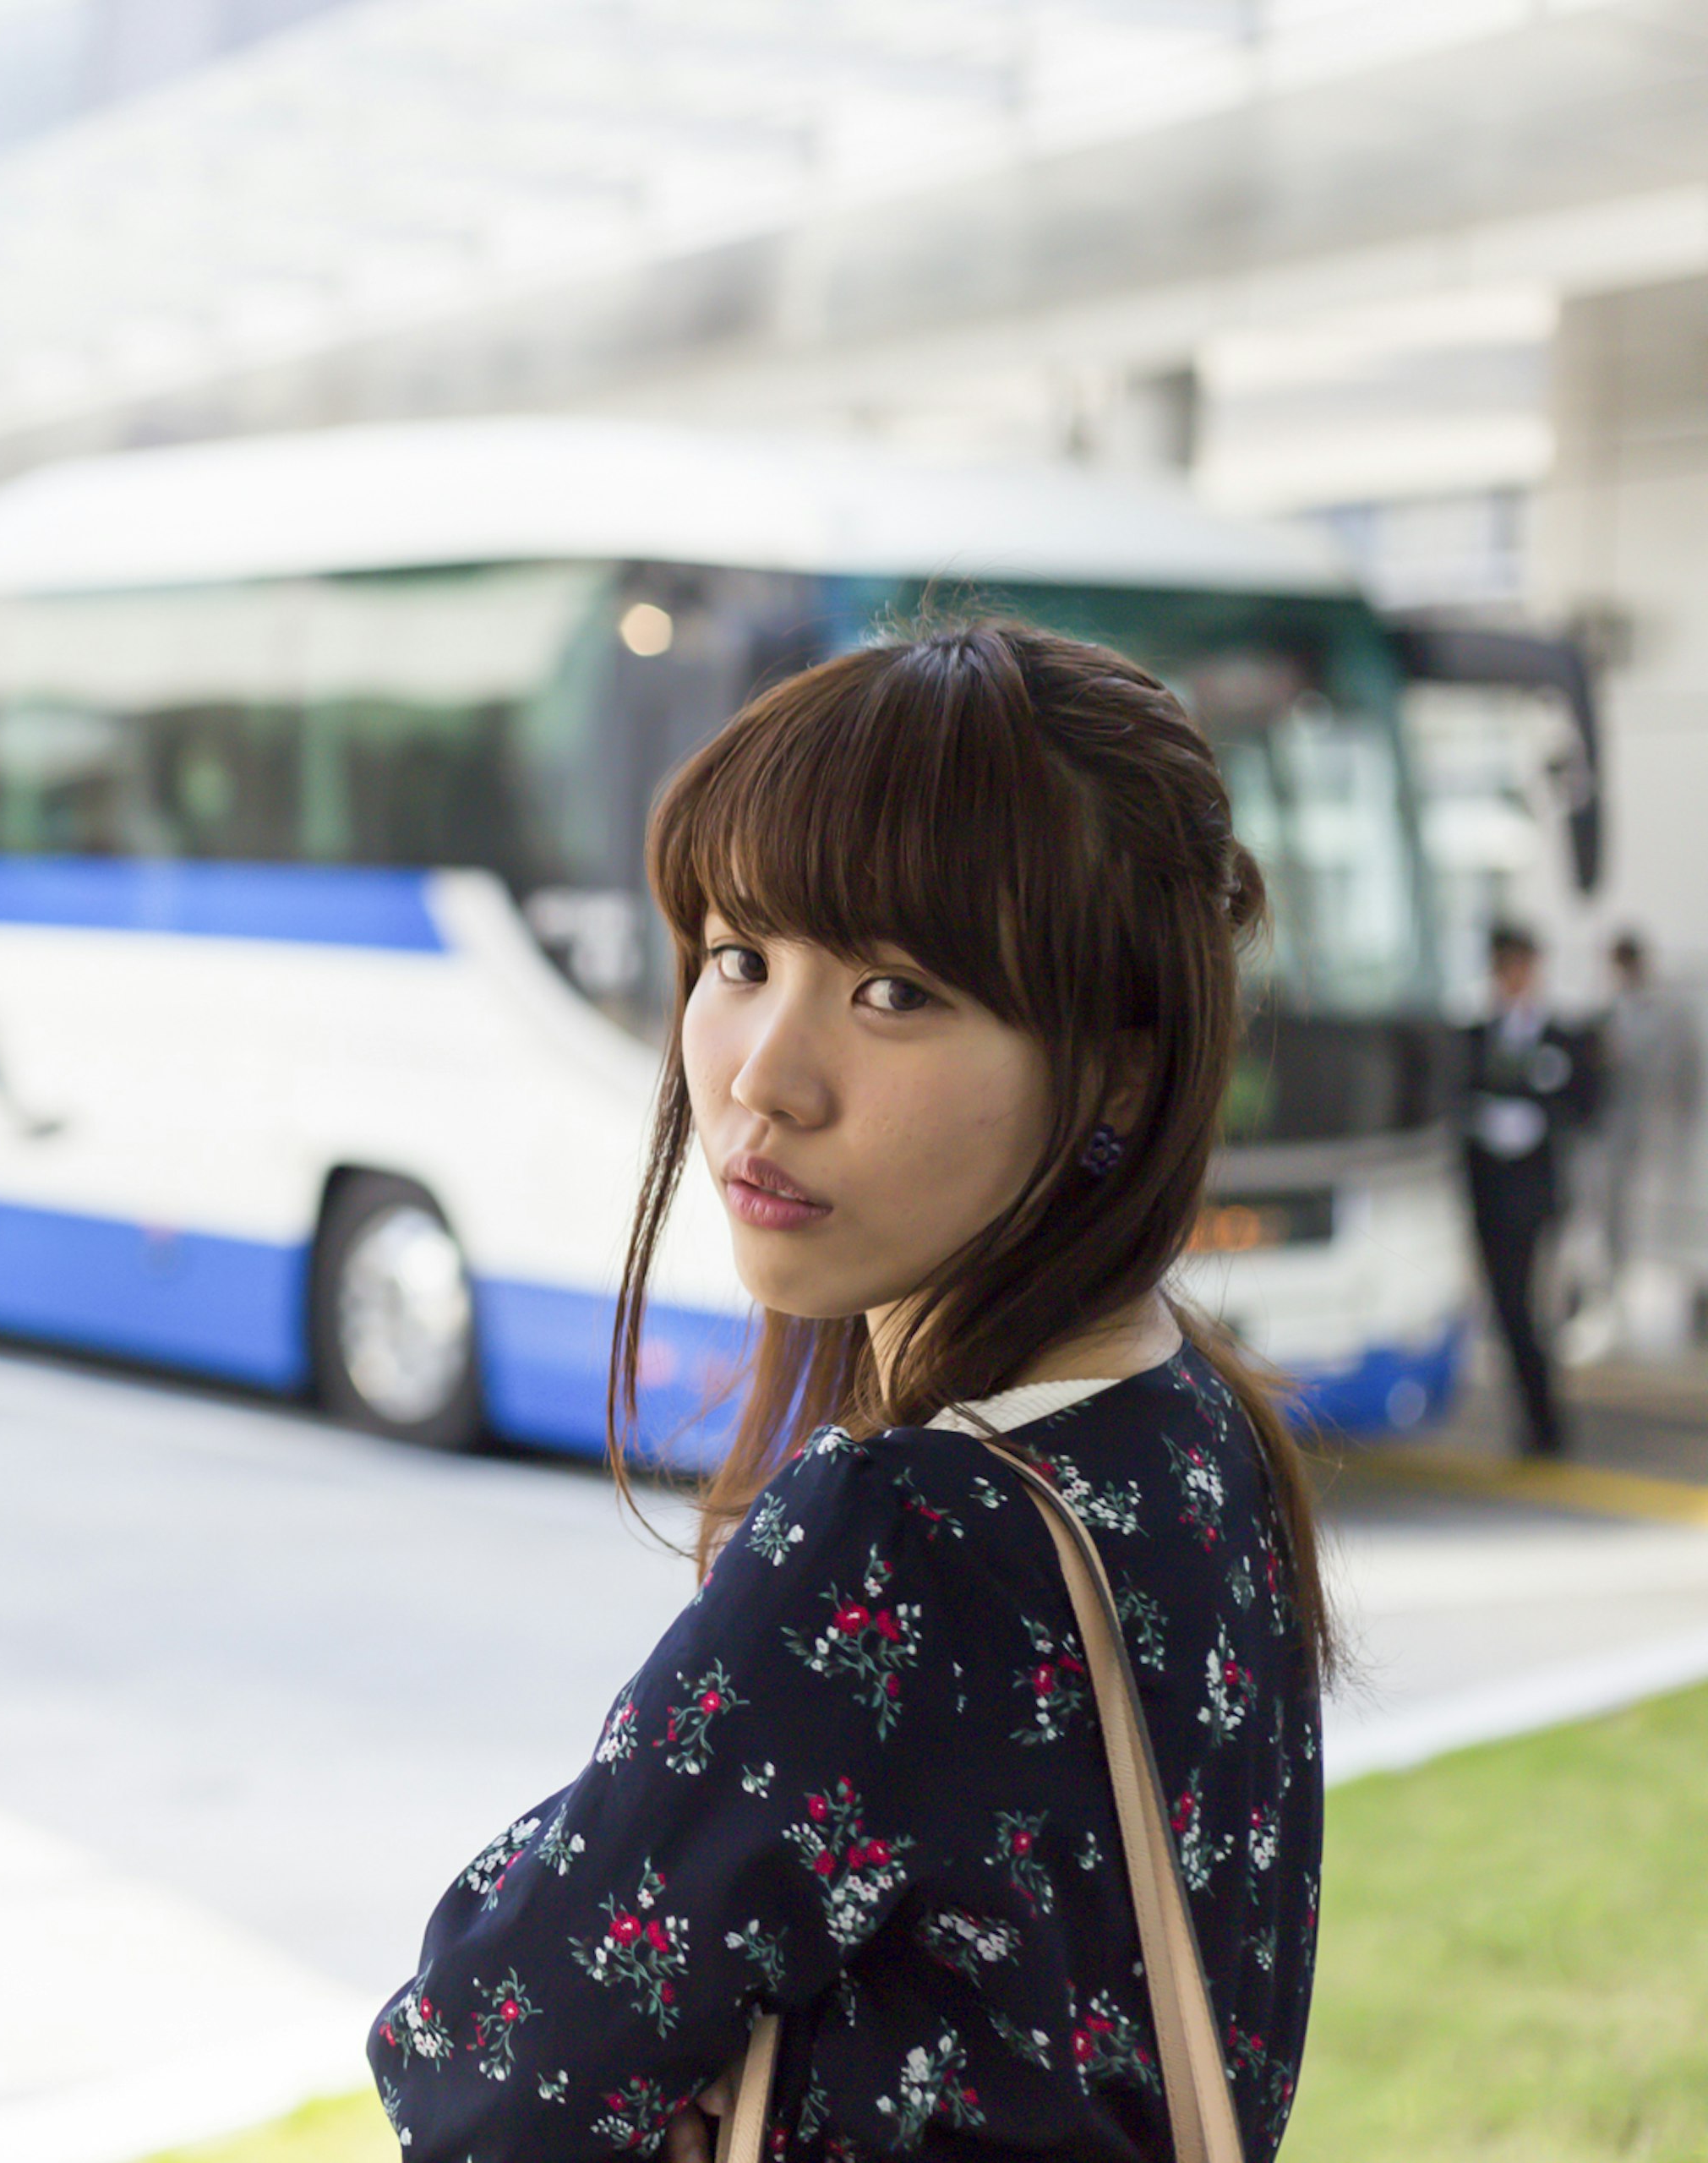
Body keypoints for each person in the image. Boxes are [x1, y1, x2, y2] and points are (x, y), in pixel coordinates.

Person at [369, 623, 1333, 2161]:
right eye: (742, 958)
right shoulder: (1190, 1424)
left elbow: (483, 2056)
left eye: (894, 990)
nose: (764, 1073)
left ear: (1123, 1074)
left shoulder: (905, 1533)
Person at [1462, 925, 1596, 1456]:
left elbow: (1588, 1105)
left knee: (1536, 1310)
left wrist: (1539, 1114)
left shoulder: (1564, 1036)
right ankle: (1536, 1420)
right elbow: (1453, 1093)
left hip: (1537, 1196)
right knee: (1509, 1309)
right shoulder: (1476, 1033)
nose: (1514, 979)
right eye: (1505, 968)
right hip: (1489, 1194)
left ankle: (1547, 1424)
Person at [1594, 931, 1700, 1296]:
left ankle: (1674, 1284)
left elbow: (1684, 1068)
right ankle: (1617, 1282)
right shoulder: (1608, 1011)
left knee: (1664, 1209)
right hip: (1619, 1124)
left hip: (1660, 1122)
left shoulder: (1669, 1011)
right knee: (1616, 1208)